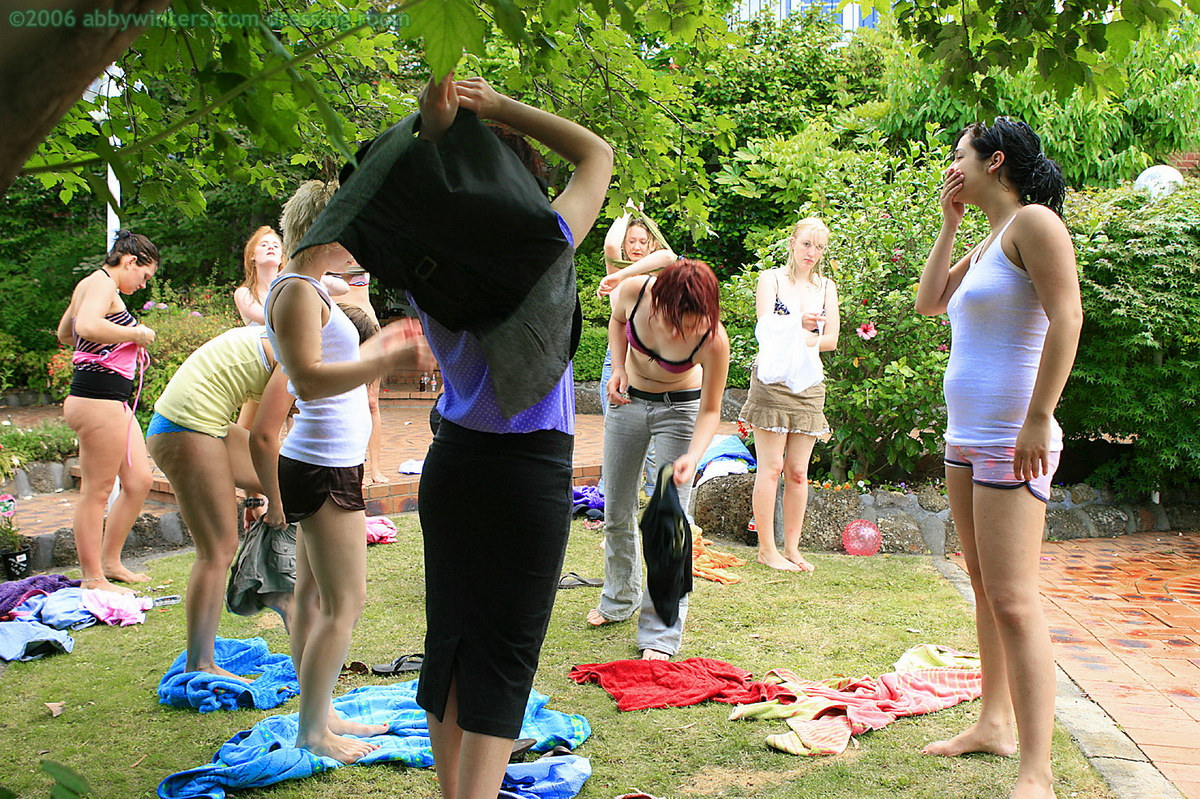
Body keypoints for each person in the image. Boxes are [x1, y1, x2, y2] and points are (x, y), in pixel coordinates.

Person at [411, 75, 611, 799]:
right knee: (505, 652)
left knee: (453, 641)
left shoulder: (422, 264)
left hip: (454, 463)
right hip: (526, 470)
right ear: (521, 180)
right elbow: (597, 152)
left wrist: (439, 130)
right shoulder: (545, 246)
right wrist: (497, 106)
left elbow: (402, 186)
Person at [915, 117, 1082, 799]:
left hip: (1014, 434)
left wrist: (1040, 415)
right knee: (984, 586)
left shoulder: (1035, 224)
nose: (951, 166)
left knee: (1014, 598)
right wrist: (950, 222)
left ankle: (1036, 773)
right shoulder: (988, 239)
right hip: (966, 438)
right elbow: (929, 303)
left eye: (959, 157)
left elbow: (1067, 316)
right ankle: (993, 723)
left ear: (995, 161)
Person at [266, 179, 432, 764]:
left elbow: (330, 366)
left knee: (313, 598)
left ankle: (320, 710)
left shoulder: (312, 288)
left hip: (326, 460)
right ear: (326, 227)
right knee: (345, 601)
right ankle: (314, 729)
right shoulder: (296, 292)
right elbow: (306, 381)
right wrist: (383, 357)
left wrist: (378, 346)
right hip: (319, 462)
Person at [588, 258, 731, 660]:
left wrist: (693, 456)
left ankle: (660, 634)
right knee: (616, 507)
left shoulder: (713, 340)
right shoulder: (634, 293)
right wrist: (617, 368)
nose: (677, 330)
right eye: (671, 318)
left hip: (680, 411)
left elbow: (710, 410)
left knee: (671, 521)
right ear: (657, 297)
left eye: (688, 322)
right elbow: (617, 323)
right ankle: (620, 597)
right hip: (628, 402)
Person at [145, 326, 292, 678]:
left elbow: (254, 424)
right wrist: (276, 503)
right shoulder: (292, 354)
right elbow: (264, 437)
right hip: (184, 428)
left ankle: (283, 593)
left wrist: (258, 494)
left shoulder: (279, 340)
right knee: (218, 550)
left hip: (204, 426)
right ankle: (200, 662)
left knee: (287, 478)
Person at [56, 230, 159, 594]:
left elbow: (65, 333)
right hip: (96, 401)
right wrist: (135, 336)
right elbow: (84, 327)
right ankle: (93, 578)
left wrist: (112, 345)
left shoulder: (90, 284)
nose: (144, 285)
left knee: (139, 480)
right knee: (97, 491)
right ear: (131, 261)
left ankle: (111, 561)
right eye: (144, 276)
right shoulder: (103, 284)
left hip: (112, 402)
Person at [739, 218, 840, 572]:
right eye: (807, 244)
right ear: (793, 243)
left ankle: (793, 549)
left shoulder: (826, 287)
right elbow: (764, 327)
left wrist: (802, 337)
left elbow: (830, 340)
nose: (812, 253)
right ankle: (767, 550)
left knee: (798, 471)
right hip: (772, 379)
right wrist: (799, 324)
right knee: (771, 467)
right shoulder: (772, 279)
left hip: (809, 384)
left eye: (819, 247)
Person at [595, 209, 677, 497]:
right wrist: (627, 207)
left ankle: (656, 497)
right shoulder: (614, 269)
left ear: (652, 244)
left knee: (655, 438)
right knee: (616, 434)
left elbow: (668, 257)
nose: (637, 247)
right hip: (618, 361)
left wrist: (623, 277)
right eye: (632, 241)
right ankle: (607, 498)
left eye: (643, 241)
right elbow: (609, 245)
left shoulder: (658, 273)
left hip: (651, 365)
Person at [324, 263, 389, 485]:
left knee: (372, 402)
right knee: (342, 399)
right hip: (339, 328)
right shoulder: (327, 254)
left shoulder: (361, 252)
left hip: (368, 327)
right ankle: (352, 465)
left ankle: (375, 467)